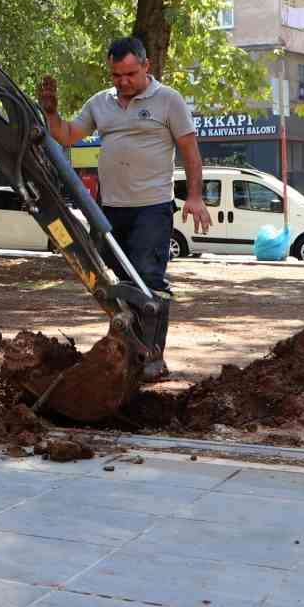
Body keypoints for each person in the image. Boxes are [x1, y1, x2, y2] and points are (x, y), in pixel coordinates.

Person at [39, 36, 212, 379]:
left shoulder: (168, 101)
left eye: (130, 74)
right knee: (114, 282)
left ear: (146, 66)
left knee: (147, 281)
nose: (122, 82)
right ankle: (125, 351)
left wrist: (194, 196)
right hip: (109, 210)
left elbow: (190, 151)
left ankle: (152, 359)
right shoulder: (100, 103)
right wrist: (50, 112)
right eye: (116, 75)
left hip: (152, 207)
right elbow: (68, 134)